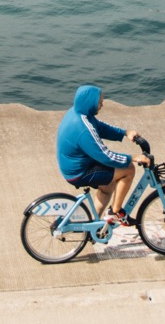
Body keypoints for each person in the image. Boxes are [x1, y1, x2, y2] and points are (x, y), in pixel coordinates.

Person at [56, 84, 150, 226]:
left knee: (108, 187)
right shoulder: (83, 129)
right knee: (128, 169)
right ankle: (116, 212)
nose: (102, 104)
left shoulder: (79, 113)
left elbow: (99, 127)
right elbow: (106, 156)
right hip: (78, 172)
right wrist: (133, 158)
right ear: (90, 103)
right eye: (99, 102)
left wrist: (125, 133)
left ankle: (94, 224)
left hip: (75, 164)